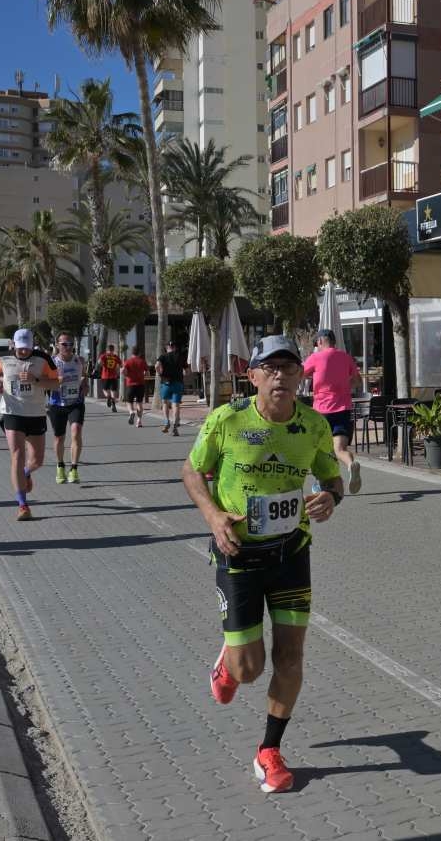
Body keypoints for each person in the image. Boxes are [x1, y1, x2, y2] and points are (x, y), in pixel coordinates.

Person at [181, 335, 342, 794]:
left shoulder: (313, 425)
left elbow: (331, 477)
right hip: (239, 556)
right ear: (252, 376)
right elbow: (191, 471)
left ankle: (269, 750)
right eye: (269, 368)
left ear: (300, 376)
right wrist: (213, 517)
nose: (280, 376)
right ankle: (229, 666)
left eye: (288, 368)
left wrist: (331, 497)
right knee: (249, 669)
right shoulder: (227, 419)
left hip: (291, 552)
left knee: (290, 657)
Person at [0, 329, 59, 521]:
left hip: (36, 414)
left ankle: (26, 473)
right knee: (17, 454)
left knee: (37, 461)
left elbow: (56, 383)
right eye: (20, 347)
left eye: (27, 347)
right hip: (12, 412)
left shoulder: (43, 359)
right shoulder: (2, 357)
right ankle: (23, 505)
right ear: (14, 344)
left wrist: (36, 380)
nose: (24, 351)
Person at [301, 329, 365, 495]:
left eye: (317, 343)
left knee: (318, 450)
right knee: (339, 449)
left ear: (320, 341)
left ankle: (320, 484)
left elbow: (299, 374)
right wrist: (344, 387)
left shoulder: (315, 357)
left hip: (322, 412)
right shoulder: (346, 357)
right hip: (343, 410)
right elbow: (358, 381)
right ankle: (351, 465)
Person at [46, 332, 87, 485]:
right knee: (59, 438)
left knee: (76, 432)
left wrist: (85, 385)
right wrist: (57, 381)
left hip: (76, 403)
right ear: (57, 345)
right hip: (57, 404)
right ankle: (60, 466)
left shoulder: (79, 360)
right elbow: (44, 383)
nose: (68, 347)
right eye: (64, 344)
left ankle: (74, 469)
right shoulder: (52, 363)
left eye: (70, 344)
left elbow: (83, 376)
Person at [156, 339, 189, 436]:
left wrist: (160, 373)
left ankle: (166, 421)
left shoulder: (163, 356)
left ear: (167, 348)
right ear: (175, 347)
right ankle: (175, 425)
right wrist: (183, 374)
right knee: (176, 404)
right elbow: (187, 370)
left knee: (165, 403)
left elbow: (157, 366)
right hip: (178, 383)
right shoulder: (181, 356)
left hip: (166, 383)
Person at [123, 347, 149, 427]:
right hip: (140, 384)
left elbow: (123, 371)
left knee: (129, 401)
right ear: (139, 353)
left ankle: (131, 412)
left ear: (132, 353)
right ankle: (139, 421)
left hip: (130, 384)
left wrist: (126, 375)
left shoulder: (128, 361)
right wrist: (143, 375)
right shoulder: (142, 361)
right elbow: (147, 373)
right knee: (139, 403)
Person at [97, 344, 122, 411]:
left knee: (105, 389)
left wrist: (102, 364)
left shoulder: (104, 355)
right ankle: (113, 403)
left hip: (105, 376)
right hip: (114, 376)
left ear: (107, 349)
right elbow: (121, 365)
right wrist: (117, 369)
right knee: (113, 391)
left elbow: (99, 362)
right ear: (113, 350)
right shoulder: (115, 357)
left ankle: (108, 397)